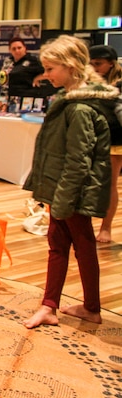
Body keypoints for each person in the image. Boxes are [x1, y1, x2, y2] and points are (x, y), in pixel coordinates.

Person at [22, 35, 116, 328]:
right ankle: (67, 306)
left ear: (72, 66)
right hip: (65, 191)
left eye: (51, 68)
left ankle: (78, 307)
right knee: (68, 245)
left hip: (71, 193)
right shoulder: (71, 100)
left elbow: (78, 161)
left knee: (73, 246)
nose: (47, 74)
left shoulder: (79, 108)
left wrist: (61, 200)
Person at [88, 44, 122, 243]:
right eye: (91, 64)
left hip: (115, 139)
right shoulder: (92, 82)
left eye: (98, 64)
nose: (94, 68)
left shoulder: (118, 85)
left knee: (109, 184)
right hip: (95, 137)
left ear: (111, 63)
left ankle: (106, 227)